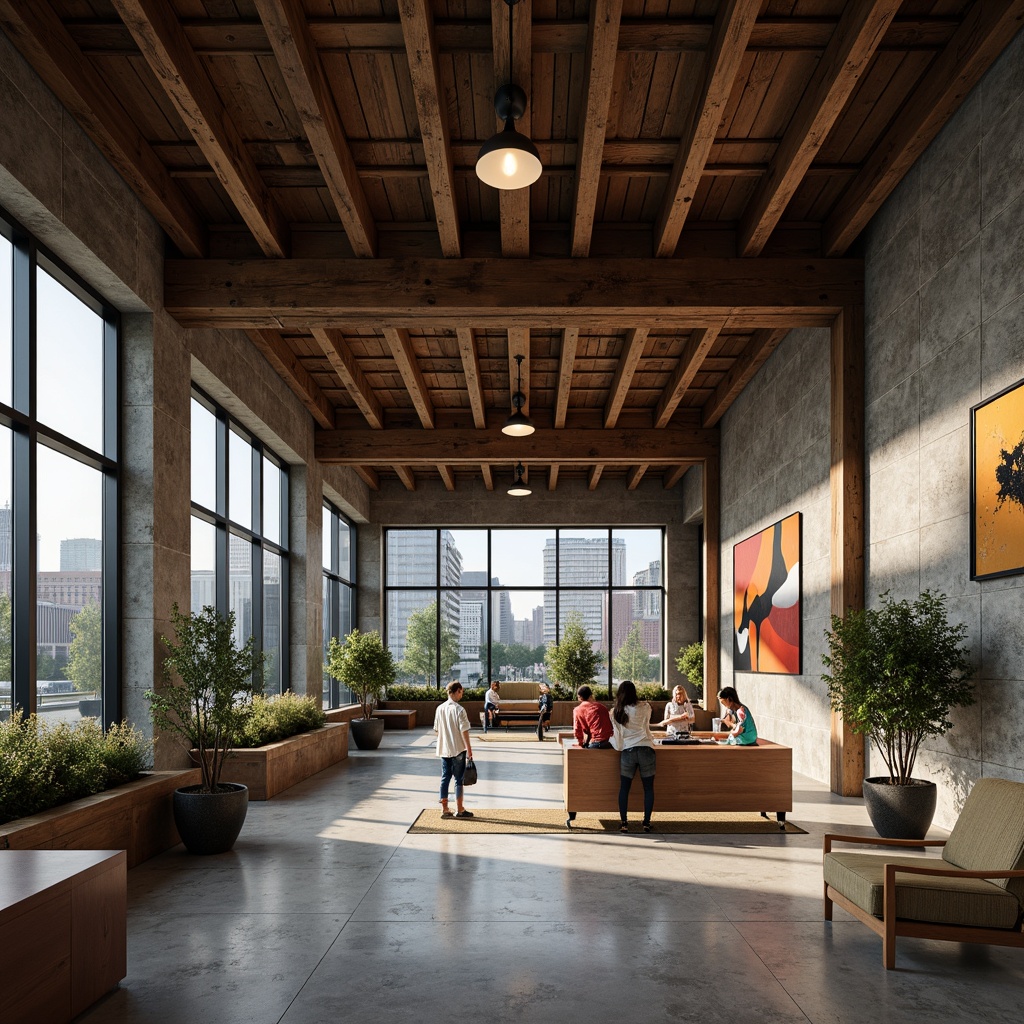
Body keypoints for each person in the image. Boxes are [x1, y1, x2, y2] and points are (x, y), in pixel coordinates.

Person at [611, 680, 656, 832]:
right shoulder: (645, 707)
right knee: (648, 788)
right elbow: (646, 728)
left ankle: (624, 823)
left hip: (628, 751)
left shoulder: (616, 711)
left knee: (624, 788)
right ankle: (646, 823)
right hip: (646, 749)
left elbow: (617, 735)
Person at [433, 681, 474, 818]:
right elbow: (464, 732)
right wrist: (469, 750)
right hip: (458, 748)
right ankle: (460, 809)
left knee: (445, 777)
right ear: (457, 691)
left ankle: (445, 809)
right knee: (459, 779)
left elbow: (436, 731)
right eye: (461, 692)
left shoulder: (440, 709)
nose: (462, 695)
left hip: (444, 749)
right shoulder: (459, 710)